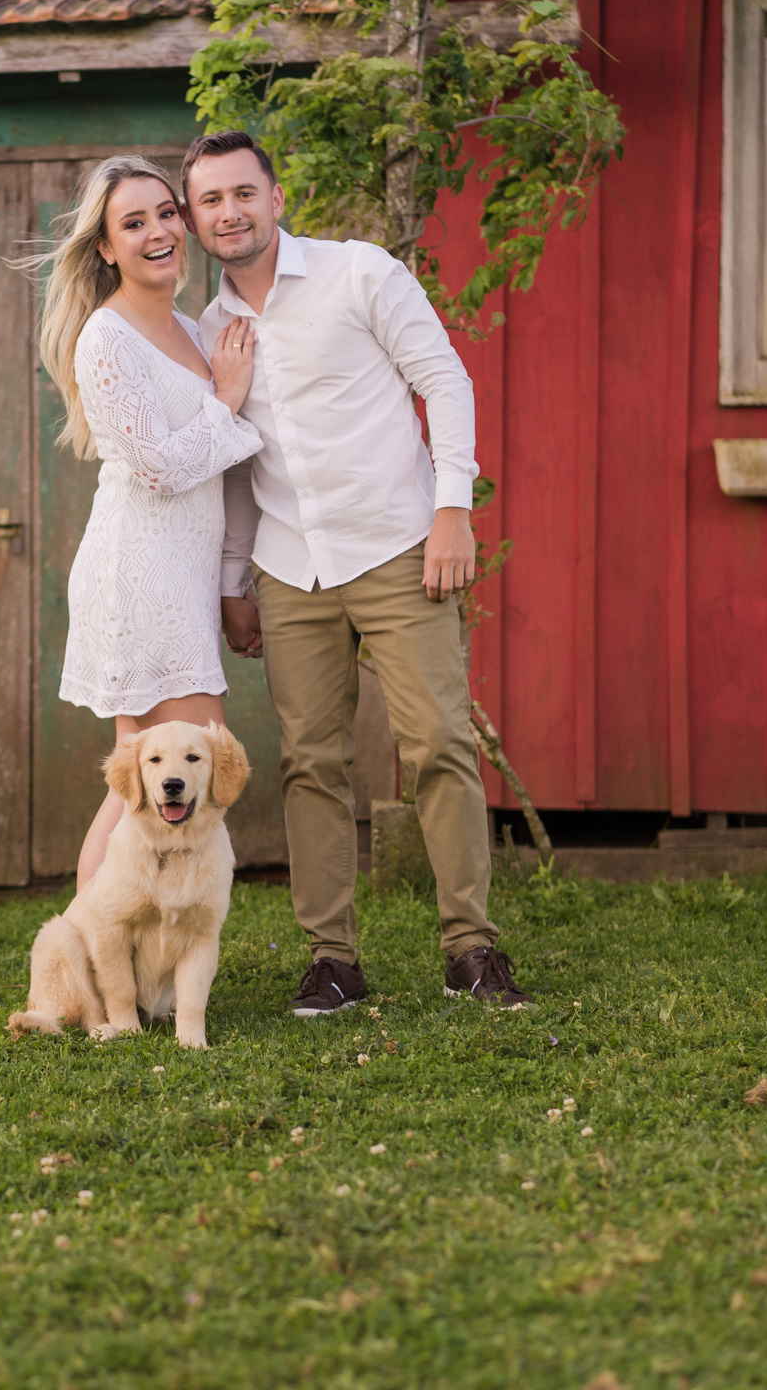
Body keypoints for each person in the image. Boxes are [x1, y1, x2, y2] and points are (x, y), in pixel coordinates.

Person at [182, 129, 534, 1015]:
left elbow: (444, 382)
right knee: (310, 763)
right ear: (194, 220)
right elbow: (233, 464)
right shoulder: (209, 331)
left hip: (396, 548)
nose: (229, 212)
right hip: (289, 570)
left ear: (276, 197)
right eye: (210, 201)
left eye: (242, 194)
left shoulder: (360, 274)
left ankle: (470, 949)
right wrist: (233, 583)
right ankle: (332, 960)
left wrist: (452, 510)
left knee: (438, 745)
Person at [31, 154, 262, 886]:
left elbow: (217, 477)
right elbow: (160, 468)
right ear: (105, 246)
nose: (158, 231)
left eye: (167, 213)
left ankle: (133, 961)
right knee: (152, 774)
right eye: (133, 222)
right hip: (138, 573)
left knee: (157, 773)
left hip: (183, 577)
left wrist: (232, 581)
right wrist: (225, 402)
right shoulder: (107, 337)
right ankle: (100, 958)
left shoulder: (194, 333)